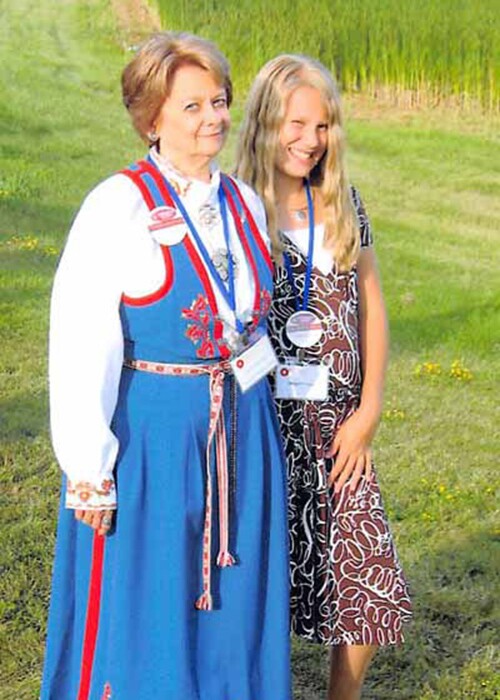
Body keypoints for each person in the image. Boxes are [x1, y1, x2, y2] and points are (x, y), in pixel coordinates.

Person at [41, 32, 291, 700]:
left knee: (235, 609)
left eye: (220, 101)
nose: (215, 117)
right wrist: (90, 469)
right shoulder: (116, 206)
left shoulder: (244, 201)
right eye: (194, 106)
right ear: (152, 116)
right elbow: (80, 338)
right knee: (152, 599)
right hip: (155, 438)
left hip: (243, 436)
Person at [236, 54, 412, 700]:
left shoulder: (340, 202)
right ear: (264, 119)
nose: (310, 140)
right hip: (262, 425)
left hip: (339, 426)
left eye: (324, 126)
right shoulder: (235, 205)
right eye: (296, 122)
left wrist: (368, 413)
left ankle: (342, 695)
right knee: (264, 577)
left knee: (368, 569)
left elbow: (373, 306)